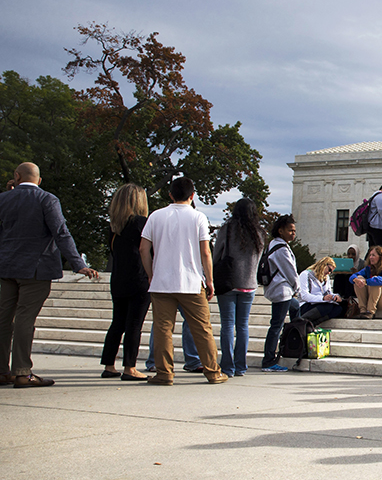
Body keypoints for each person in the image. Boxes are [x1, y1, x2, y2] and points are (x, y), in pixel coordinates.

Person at [0, 162, 99, 388]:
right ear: (39, 180)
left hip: (6, 267)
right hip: (36, 268)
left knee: (4, 318)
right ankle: (22, 372)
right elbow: (61, 232)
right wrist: (78, 263)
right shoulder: (47, 199)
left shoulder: (4, 199)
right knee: (25, 318)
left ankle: (2, 370)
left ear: (16, 176)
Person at [139, 177, 225, 385]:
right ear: (192, 195)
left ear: (170, 195)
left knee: (162, 328)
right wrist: (210, 280)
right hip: (191, 281)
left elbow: (143, 248)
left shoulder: (156, 216)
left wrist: (151, 273)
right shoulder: (198, 217)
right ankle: (213, 372)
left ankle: (164, 373)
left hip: (162, 282)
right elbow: (205, 251)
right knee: (202, 328)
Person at [101, 184, 150, 381]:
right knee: (134, 324)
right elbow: (147, 250)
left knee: (117, 323)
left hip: (118, 279)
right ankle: (130, 367)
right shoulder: (142, 223)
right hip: (139, 278)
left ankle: (109, 365)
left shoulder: (114, 227)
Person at [212, 197, 264, 378]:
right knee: (242, 326)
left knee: (227, 324)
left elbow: (216, 253)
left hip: (228, 281)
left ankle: (227, 366)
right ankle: (241, 365)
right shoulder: (259, 233)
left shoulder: (227, 229)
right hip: (249, 284)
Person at [261, 215, 299, 372]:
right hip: (282, 291)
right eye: (290, 230)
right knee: (276, 325)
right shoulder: (281, 249)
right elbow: (290, 271)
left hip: (283, 291)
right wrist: (297, 288)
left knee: (296, 309)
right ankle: (269, 360)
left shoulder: (275, 245)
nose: (293, 234)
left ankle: (293, 342)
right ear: (280, 230)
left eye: (294, 231)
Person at [297, 257, 344, 324]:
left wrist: (334, 296)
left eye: (331, 272)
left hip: (319, 304)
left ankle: (314, 323)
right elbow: (304, 296)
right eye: (329, 269)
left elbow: (328, 292)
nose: (329, 273)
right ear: (323, 265)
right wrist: (322, 298)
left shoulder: (326, 278)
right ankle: (302, 321)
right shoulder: (305, 274)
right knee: (327, 307)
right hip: (306, 304)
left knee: (338, 308)